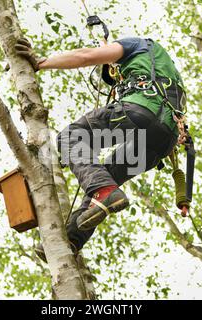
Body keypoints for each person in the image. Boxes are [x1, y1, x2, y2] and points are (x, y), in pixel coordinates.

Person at [15, 36, 187, 262]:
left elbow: (85, 56)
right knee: (105, 177)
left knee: (71, 137)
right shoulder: (167, 70)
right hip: (163, 139)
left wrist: (40, 62)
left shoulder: (135, 45)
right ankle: (72, 237)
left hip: (141, 111)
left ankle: (104, 193)